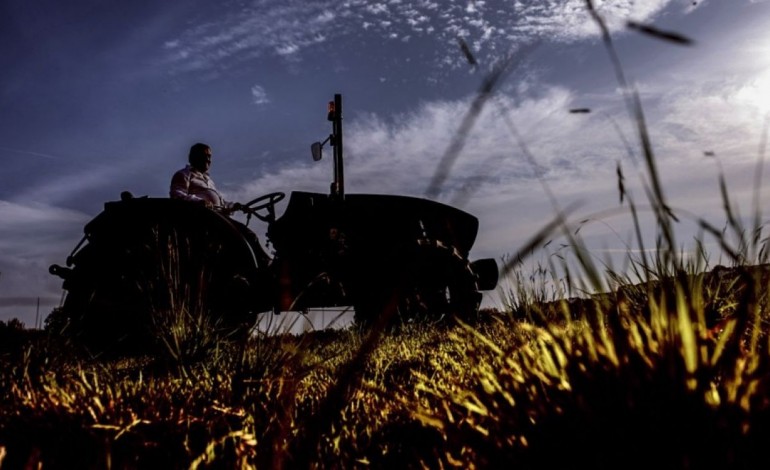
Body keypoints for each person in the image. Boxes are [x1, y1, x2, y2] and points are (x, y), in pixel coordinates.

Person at [170, 142, 240, 213]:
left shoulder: (209, 181)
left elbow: (222, 204)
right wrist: (199, 202)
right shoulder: (184, 174)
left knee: (239, 225)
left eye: (209, 156)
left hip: (216, 217)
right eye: (204, 156)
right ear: (193, 157)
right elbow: (177, 194)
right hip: (198, 217)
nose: (208, 159)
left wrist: (235, 206)